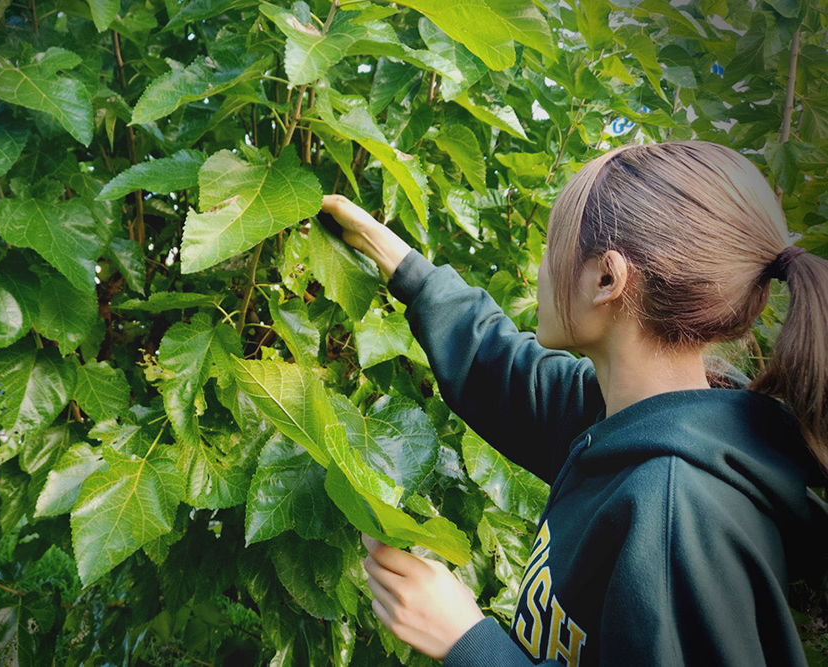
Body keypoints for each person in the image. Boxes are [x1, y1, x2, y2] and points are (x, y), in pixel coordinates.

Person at [319, 141, 828, 666]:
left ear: (607, 279)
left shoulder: (674, 517)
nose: (540, 271)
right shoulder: (635, 415)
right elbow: (506, 373)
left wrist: (468, 641)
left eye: (551, 248)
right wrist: (400, 264)